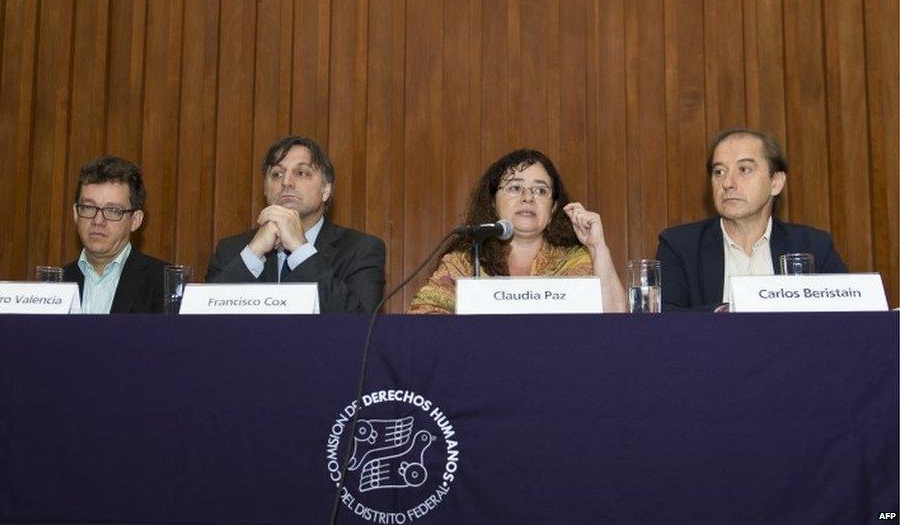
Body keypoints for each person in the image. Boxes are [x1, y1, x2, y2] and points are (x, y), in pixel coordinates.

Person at [409, 148, 626, 314]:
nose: (528, 197)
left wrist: (598, 247)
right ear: (492, 203)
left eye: (540, 190)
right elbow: (422, 317)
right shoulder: (465, 263)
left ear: (552, 210)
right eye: (515, 188)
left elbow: (616, 319)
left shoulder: (576, 261)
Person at [656, 127, 848, 311]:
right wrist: (727, 312)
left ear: (776, 182)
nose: (728, 183)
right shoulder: (680, 246)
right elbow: (663, 318)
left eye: (744, 169)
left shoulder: (813, 246)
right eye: (719, 172)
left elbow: (851, 315)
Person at [206, 135, 385, 313]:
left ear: (326, 189)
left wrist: (301, 249)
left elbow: (360, 326)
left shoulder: (361, 250)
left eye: (301, 173)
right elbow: (201, 323)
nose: (286, 182)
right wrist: (253, 254)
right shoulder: (231, 251)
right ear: (266, 190)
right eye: (277, 174)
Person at [63, 156, 168, 313]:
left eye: (113, 210)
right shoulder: (56, 283)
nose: (98, 220)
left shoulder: (164, 283)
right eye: (89, 207)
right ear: (76, 214)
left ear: (135, 220)